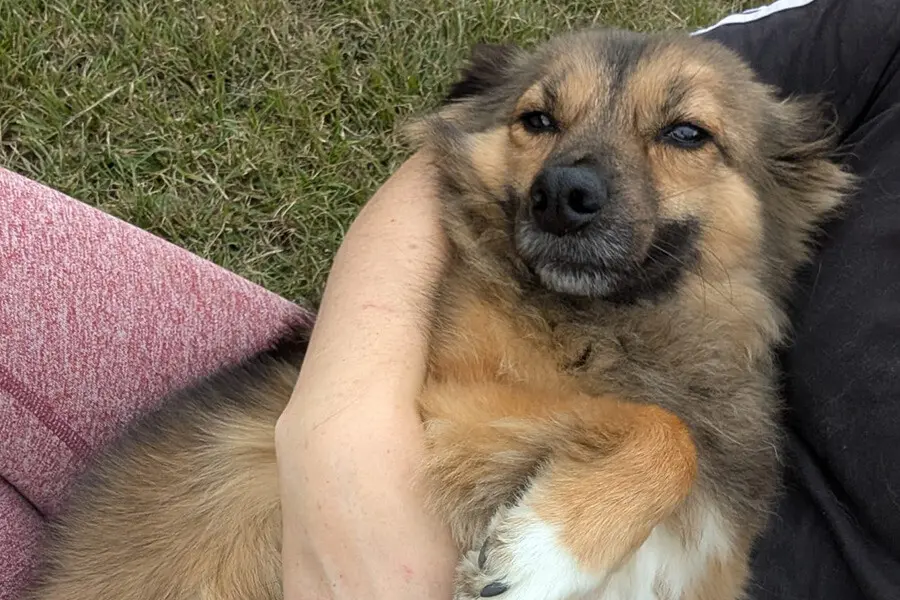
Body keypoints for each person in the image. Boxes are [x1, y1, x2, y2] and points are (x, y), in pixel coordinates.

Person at [1, 1, 898, 599]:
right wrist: (341, 424)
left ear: (790, 187)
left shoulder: (732, 479)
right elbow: (428, 443)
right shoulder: (878, 38)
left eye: (683, 136)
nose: (570, 179)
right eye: (540, 122)